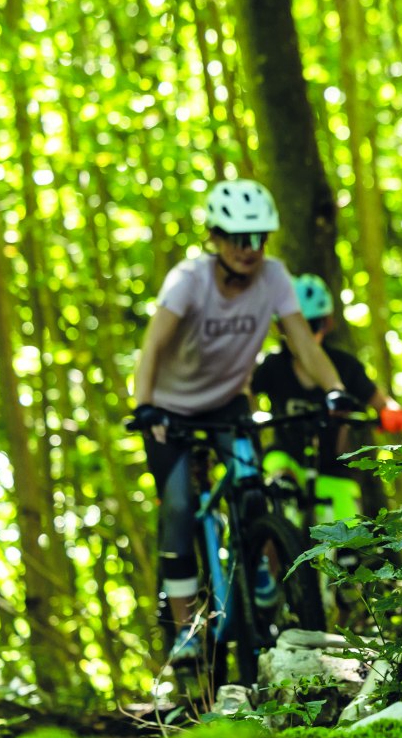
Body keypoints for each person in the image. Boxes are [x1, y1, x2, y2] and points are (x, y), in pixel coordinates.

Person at [128, 178, 349, 663]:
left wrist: (334, 389)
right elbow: (152, 348)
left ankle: (266, 575)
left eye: (259, 238)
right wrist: (144, 407)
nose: (250, 250)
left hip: (229, 403)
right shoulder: (189, 280)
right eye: (238, 238)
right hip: (171, 408)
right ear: (215, 237)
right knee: (182, 507)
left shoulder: (274, 277)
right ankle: (186, 632)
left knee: (255, 490)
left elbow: (304, 346)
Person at [251, 273, 402, 527]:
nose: (302, 337)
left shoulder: (345, 366)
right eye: (291, 327)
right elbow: (245, 392)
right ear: (280, 328)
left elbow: (380, 401)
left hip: (335, 468)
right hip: (285, 457)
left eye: (311, 326)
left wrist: (391, 412)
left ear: (326, 324)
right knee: (279, 501)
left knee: (348, 530)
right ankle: (273, 559)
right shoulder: (272, 366)